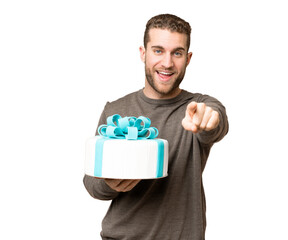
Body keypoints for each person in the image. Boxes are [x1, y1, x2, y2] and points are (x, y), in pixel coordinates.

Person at [83, 13, 229, 240]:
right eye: (158, 50)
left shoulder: (199, 107)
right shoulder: (115, 110)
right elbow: (92, 185)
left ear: (188, 58)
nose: (168, 63)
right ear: (143, 53)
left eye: (177, 53)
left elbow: (215, 123)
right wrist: (111, 184)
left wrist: (208, 120)